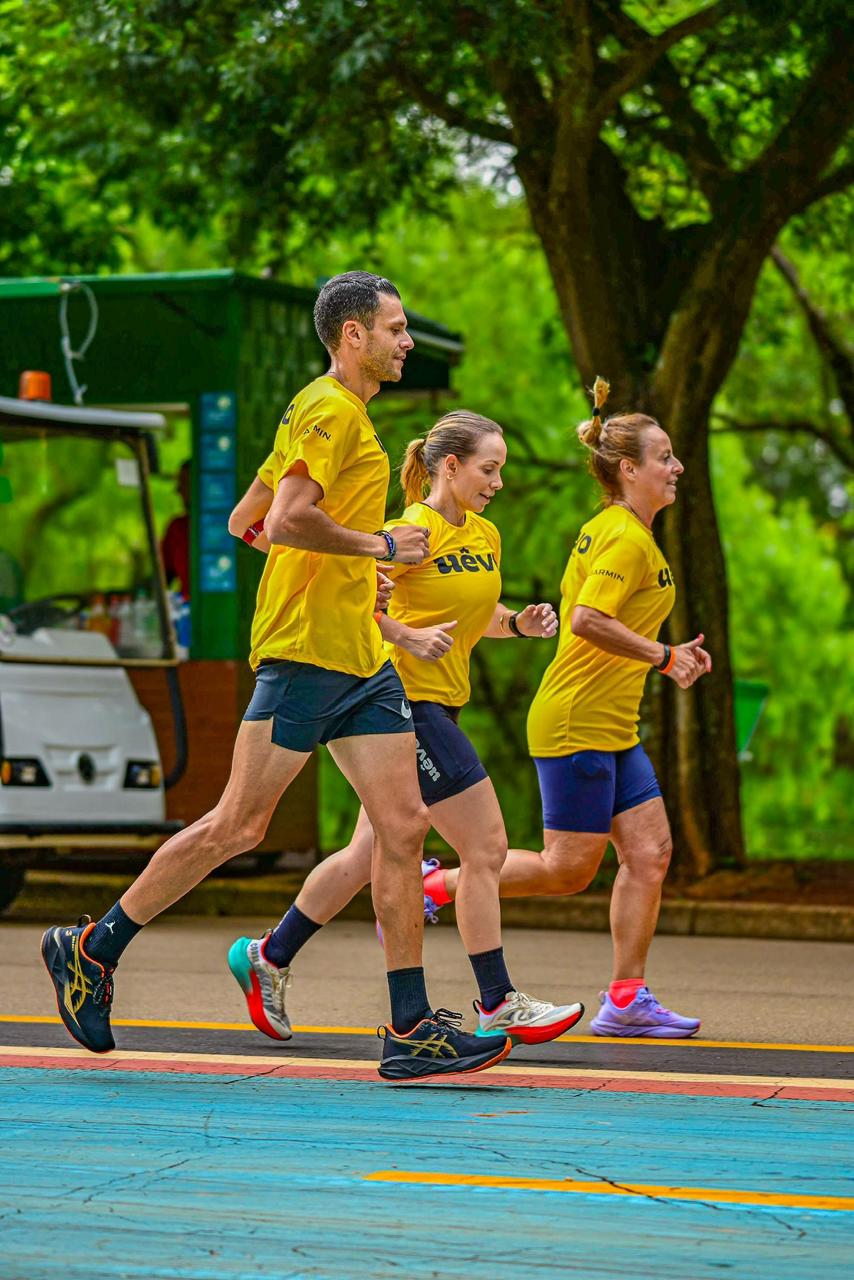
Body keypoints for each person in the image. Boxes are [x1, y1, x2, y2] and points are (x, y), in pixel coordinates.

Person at [40, 271, 512, 1082]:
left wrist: (354, 576)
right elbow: (287, 519)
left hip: (362, 659)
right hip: (304, 652)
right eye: (395, 329)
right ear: (352, 336)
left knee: (402, 832)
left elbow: (244, 522)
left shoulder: (321, 410)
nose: (406, 342)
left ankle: (409, 1029)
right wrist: (376, 550)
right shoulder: (331, 410)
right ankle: (90, 948)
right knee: (238, 827)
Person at [227, 413, 584, 1046]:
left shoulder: (484, 534)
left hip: (443, 703)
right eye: (488, 468)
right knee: (486, 846)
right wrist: (405, 636)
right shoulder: (407, 529)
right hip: (400, 706)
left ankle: (269, 956)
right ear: (451, 466)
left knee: (367, 856)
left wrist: (518, 625)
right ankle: (497, 1000)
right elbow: (357, 598)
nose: (498, 481)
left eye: (501, 469)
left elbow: (472, 611)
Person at [420, 377, 712, 1038]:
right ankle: (439, 887)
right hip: (576, 719)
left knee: (650, 852)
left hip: (613, 726)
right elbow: (585, 619)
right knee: (565, 871)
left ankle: (627, 998)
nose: (677, 467)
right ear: (629, 469)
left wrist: (667, 655)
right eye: (664, 457)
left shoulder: (632, 532)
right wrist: (664, 656)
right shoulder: (622, 537)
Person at [161, 460, 191, 599]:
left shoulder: (232, 526)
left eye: (184, 484)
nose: (178, 490)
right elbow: (163, 576)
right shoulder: (176, 528)